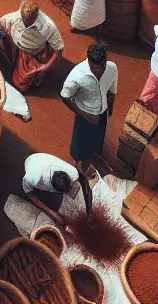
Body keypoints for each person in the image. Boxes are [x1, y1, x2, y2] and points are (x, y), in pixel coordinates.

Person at [61, 43, 118, 220]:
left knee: (97, 140)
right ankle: (77, 166)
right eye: (96, 67)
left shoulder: (111, 68)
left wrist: (110, 106)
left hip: (101, 113)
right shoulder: (77, 75)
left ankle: (93, 161)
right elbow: (65, 96)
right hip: (85, 116)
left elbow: (112, 88)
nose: (100, 70)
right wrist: (84, 115)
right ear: (90, 63)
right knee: (80, 144)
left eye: (103, 65)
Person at [0, 0, 64, 97]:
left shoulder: (47, 25)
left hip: (31, 52)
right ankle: (14, 62)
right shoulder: (17, 15)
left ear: (36, 16)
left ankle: (34, 74)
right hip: (15, 44)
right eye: (24, 20)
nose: (26, 23)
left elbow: (59, 48)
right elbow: (1, 22)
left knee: (20, 85)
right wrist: (8, 36)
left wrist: (46, 66)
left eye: (30, 21)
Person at [22, 153, 82, 228]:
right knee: (45, 199)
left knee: (70, 193)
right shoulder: (32, 178)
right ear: (52, 186)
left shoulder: (73, 173)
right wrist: (52, 213)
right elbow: (29, 194)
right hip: (31, 161)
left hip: (46, 160)